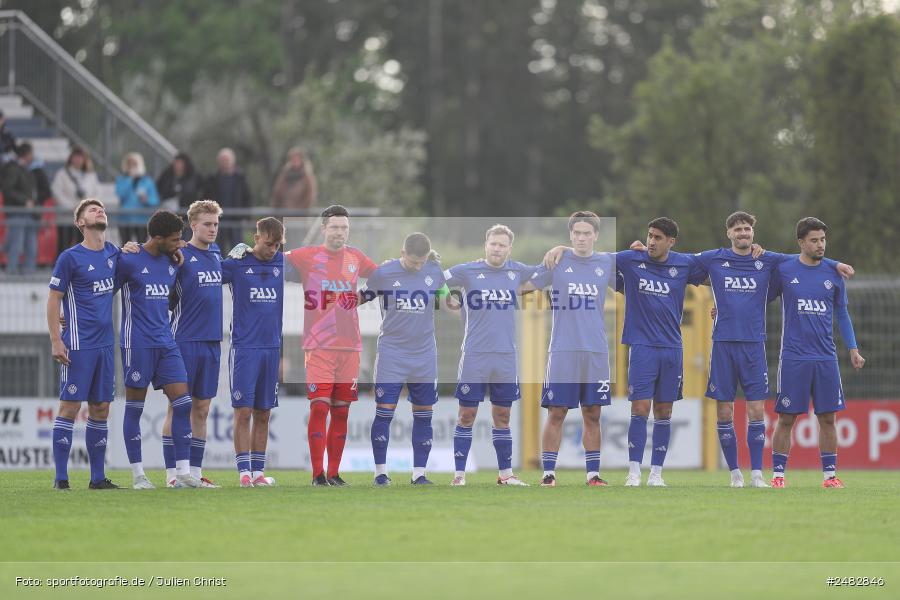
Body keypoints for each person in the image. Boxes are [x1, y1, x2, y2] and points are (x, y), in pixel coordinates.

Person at [679, 212, 853, 487]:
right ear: (729, 233)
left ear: (752, 233)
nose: (743, 233)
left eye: (747, 228)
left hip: (754, 345)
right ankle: (735, 474)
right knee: (724, 413)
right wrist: (643, 254)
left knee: (757, 411)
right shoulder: (714, 258)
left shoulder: (767, 259)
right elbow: (679, 261)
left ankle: (759, 475)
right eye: (738, 229)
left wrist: (836, 263)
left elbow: (805, 259)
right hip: (722, 344)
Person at [283, 205, 377, 486]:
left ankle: (334, 473)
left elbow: (383, 277)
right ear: (323, 228)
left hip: (350, 347)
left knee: (341, 411)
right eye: (335, 227)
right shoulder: (306, 256)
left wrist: (364, 296)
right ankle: (317, 474)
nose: (340, 232)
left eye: (344, 227)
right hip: (319, 346)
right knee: (319, 408)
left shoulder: (356, 257)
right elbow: (274, 259)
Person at [767, 217, 865, 488]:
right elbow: (761, 297)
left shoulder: (833, 274)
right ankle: (777, 476)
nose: (820, 244)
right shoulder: (785, 269)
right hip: (793, 357)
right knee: (786, 418)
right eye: (814, 240)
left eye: (823, 239)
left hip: (825, 357)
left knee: (828, 418)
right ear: (801, 242)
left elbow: (842, 314)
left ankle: (830, 476)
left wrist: (853, 349)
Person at [521, 212, 616, 487]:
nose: (582, 238)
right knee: (557, 412)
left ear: (596, 235)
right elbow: (525, 286)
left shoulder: (606, 262)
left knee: (593, 412)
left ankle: (593, 475)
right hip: (563, 350)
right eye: (577, 233)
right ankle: (548, 473)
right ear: (570, 235)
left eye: (588, 233)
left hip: (596, 351)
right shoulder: (557, 261)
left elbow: (636, 274)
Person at [614, 218, 707, 487]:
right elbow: (595, 261)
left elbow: (719, 275)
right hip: (643, 347)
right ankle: (633, 472)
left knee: (664, 411)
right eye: (650, 236)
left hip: (672, 348)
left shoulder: (684, 263)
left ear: (671, 241)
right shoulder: (632, 259)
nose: (652, 241)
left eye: (658, 237)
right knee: (640, 408)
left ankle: (656, 474)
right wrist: (561, 249)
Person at [443, 225, 539, 487]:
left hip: (506, 356)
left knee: (503, 416)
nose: (497, 248)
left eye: (502, 245)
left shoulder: (517, 271)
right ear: (486, 245)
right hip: (474, 355)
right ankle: (459, 476)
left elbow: (547, 272)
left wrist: (560, 250)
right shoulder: (467, 271)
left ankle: (506, 475)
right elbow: (435, 281)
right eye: (493, 244)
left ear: (509, 249)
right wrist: (454, 305)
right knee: (467, 414)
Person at [360, 233, 452, 486]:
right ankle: (380, 473)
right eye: (413, 262)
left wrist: (459, 305)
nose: (417, 267)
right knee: (385, 412)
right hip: (392, 352)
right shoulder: (384, 272)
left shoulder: (434, 271)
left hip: (424, 354)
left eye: (421, 262)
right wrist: (335, 303)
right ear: (403, 253)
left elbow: (447, 301)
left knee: (424, 414)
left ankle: (419, 474)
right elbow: (362, 297)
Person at [117, 210, 198, 489]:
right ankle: (139, 475)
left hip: (166, 342)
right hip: (136, 343)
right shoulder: (128, 260)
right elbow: (103, 292)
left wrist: (177, 251)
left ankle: (183, 474)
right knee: (135, 409)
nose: (180, 243)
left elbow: (180, 253)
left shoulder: (171, 260)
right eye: (175, 239)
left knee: (183, 403)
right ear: (158, 238)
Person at [47, 198, 120, 490]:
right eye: (91, 210)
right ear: (80, 223)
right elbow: (54, 300)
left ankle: (97, 478)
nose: (99, 211)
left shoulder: (115, 254)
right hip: (77, 344)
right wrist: (55, 339)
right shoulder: (70, 258)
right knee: (69, 407)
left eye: (101, 208)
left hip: (105, 346)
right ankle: (61, 479)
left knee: (101, 407)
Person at [162, 200, 223, 488]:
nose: (212, 229)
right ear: (193, 225)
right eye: (207, 224)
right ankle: (173, 475)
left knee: (202, 409)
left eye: (215, 224)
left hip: (212, 342)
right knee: (178, 407)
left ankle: (196, 475)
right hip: (184, 339)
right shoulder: (179, 253)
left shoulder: (217, 254)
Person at [222, 217, 285, 487]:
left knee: (264, 412)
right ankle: (243, 473)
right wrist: (225, 255)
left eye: (278, 245)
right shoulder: (237, 264)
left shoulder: (283, 263)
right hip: (245, 348)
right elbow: (206, 274)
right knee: (243, 412)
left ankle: (258, 473)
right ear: (256, 238)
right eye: (269, 244)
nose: (273, 250)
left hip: (271, 348)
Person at [52, 146, 100, 253]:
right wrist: (71, 207)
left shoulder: (91, 175)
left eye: (81, 157)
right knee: (64, 245)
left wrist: (86, 208)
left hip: (85, 219)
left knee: (84, 245)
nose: (78, 160)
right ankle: (62, 268)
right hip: (66, 217)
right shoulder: (62, 174)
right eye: (76, 157)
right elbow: (56, 192)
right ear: (71, 158)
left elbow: (96, 193)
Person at [204, 148, 252, 251]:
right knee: (217, 249)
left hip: (236, 220)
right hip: (217, 220)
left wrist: (246, 217)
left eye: (227, 160)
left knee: (237, 250)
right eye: (222, 160)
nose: (224, 163)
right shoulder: (212, 178)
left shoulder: (240, 178)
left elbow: (247, 198)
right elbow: (206, 198)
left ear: (233, 161)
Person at [1, 142, 37, 275]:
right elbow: (7, 189)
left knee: (30, 245)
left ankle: (28, 273)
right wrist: (24, 202)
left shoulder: (25, 169)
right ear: (26, 154)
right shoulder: (13, 168)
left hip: (28, 213)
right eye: (31, 154)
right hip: (17, 212)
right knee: (16, 244)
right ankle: (11, 273)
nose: (33, 157)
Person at [115, 152, 159, 243]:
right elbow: (120, 194)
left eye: (134, 164)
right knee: (125, 246)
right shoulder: (121, 179)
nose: (132, 167)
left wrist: (147, 200)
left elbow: (155, 200)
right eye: (129, 164)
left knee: (141, 246)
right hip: (125, 219)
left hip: (141, 219)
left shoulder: (147, 181)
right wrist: (130, 179)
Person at [157, 152, 204, 220]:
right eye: (176, 163)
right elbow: (161, 189)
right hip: (170, 212)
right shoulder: (166, 176)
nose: (178, 165)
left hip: (188, 214)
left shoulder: (194, 177)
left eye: (180, 163)